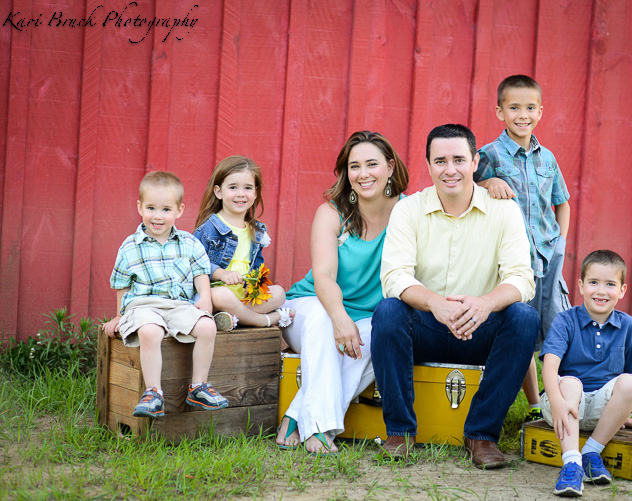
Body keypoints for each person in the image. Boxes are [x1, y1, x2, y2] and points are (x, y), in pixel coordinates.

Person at [372, 124, 539, 468]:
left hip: (480, 328)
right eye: (441, 161)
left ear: (476, 161)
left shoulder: (503, 210)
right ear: (429, 165)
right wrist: (436, 304)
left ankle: (481, 435)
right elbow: (394, 276)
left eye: (459, 159)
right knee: (388, 311)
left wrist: (485, 304)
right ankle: (400, 432)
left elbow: (522, 278)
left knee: (525, 318)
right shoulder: (409, 210)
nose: (450, 169)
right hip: (427, 329)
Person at [276, 131, 409, 455]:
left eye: (372, 164)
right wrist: (339, 317)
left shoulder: (409, 212)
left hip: (366, 317)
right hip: (312, 308)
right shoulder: (331, 213)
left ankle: (294, 417)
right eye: (355, 166)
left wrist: (488, 184)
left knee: (383, 338)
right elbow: (323, 276)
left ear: (390, 167)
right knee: (323, 322)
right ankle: (319, 430)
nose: (363, 174)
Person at [474, 74, 571, 422]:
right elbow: (465, 191)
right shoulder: (488, 155)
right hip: (513, 262)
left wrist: (560, 240)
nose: (522, 114)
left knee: (556, 326)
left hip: (548, 256)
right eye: (514, 107)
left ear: (541, 111)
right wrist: (488, 180)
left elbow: (562, 202)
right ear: (500, 112)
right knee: (523, 329)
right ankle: (534, 406)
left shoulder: (548, 159)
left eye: (530, 108)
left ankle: (558, 399)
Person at [103, 171, 228, 418]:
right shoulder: (130, 246)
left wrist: (204, 297)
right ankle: (153, 393)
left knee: (207, 327)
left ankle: (199, 386)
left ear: (179, 211)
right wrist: (119, 316)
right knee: (151, 331)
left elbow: (201, 273)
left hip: (178, 305)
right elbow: (122, 285)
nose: (157, 216)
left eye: (166, 210)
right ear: (139, 207)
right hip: (144, 305)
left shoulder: (189, 243)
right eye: (151, 208)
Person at [539, 250, 632, 497]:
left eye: (610, 284)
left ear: (622, 290)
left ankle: (591, 452)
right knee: (571, 384)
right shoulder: (565, 321)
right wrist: (555, 402)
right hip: (563, 405)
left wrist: (621, 414)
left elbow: (627, 381)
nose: (601, 291)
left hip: (599, 408)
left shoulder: (628, 326)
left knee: (631, 384)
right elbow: (550, 367)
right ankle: (572, 464)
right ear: (581, 285)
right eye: (594, 282)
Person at [194, 155, 293, 330]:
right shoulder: (209, 228)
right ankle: (263, 320)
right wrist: (221, 274)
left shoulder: (257, 231)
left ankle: (232, 317)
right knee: (222, 295)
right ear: (219, 192)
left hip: (243, 296)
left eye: (248, 188)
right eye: (233, 187)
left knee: (279, 293)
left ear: (255, 193)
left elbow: (256, 266)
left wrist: (253, 285)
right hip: (215, 294)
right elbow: (194, 264)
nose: (241, 194)